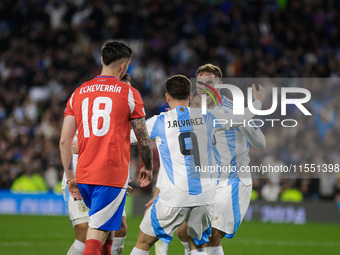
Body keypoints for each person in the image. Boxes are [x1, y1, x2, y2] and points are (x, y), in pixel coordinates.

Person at [130, 74, 265, 255]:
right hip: (205, 197)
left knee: (144, 242)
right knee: (199, 244)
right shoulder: (208, 117)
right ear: (189, 95)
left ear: (167, 97)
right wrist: (257, 103)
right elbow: (241, 117)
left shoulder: (159, 122)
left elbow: (128, 137)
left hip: (174, 196)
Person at [59, 40, 153, 255]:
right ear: (124, 67)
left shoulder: (79, 92)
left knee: (111, 232)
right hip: (109, 174)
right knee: (94, 236)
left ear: (102, 60)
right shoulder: (129, 93)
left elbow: (64, 141)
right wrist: (148, 166)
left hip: (83, 174)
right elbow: (143, 139)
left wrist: (70, 175)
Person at [194, 64, 266, 255]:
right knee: (198, 235)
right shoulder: (196, 111)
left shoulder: (234, 109)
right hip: (211, 181)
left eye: (210, 82)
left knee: (213, 235)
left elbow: (261, 143)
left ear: (220, 84)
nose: (205, 87)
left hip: (234, 180)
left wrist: (246, 123)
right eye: (201, 83)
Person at [61, 73, 133, 255]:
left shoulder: (122, 123)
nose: (126, 93)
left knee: (118, 229)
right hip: (80, 178)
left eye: (128, 89)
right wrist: (71, 177)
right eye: (124, 88)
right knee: (86, 233)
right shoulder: (89, 114)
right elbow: (67, 142)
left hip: (107, 181)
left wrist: (122, 182)